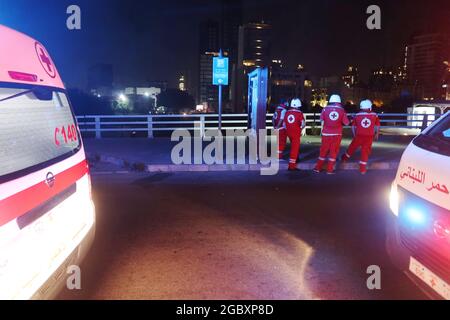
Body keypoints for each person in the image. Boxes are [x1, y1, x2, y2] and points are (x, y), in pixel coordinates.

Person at [341, 99, 380, 174]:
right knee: (365, 152)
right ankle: (362, 169)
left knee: (352, 147)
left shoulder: (357, 115)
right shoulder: (374, 114)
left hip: (359, 135)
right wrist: (377, 134)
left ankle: (344, 159)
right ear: (369, 106)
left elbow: (353, 126)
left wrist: (354, 134)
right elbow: (377, 125)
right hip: (369, 136)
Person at [314, 94, 350, 174]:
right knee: (333, 151)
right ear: (339, 101)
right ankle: (330, 170)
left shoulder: (324, 109)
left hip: (326, 133)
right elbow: (347, 123)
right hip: (337, 134)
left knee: (323, 151)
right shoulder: (342, 110)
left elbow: (321, 120)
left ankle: (317, 168)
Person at [285, 98, 306, 171]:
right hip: (296, 133)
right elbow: (303, 124)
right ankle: (291, 166)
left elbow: (284, 123)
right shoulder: (299, 113)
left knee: (293, 147)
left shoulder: (287, 112)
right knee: (294, 149)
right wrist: (300, 129)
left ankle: (296, 159)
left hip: (289, 132)